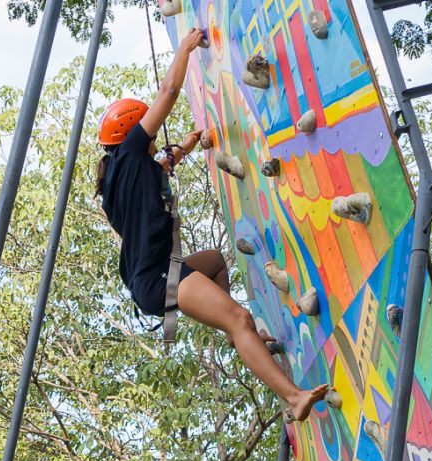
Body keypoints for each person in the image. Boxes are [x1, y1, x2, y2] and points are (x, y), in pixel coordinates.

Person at [95, 29, 328, 423]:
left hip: (152, 278)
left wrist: (184, 148)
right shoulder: (135, 153)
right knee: (238, 320)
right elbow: (169, 91)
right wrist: (186, 48)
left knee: (217, 262)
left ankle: (242, 333)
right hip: (160, 279)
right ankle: (292, 396)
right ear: (134, 131)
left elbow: (158, 170)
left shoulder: (118, 181)